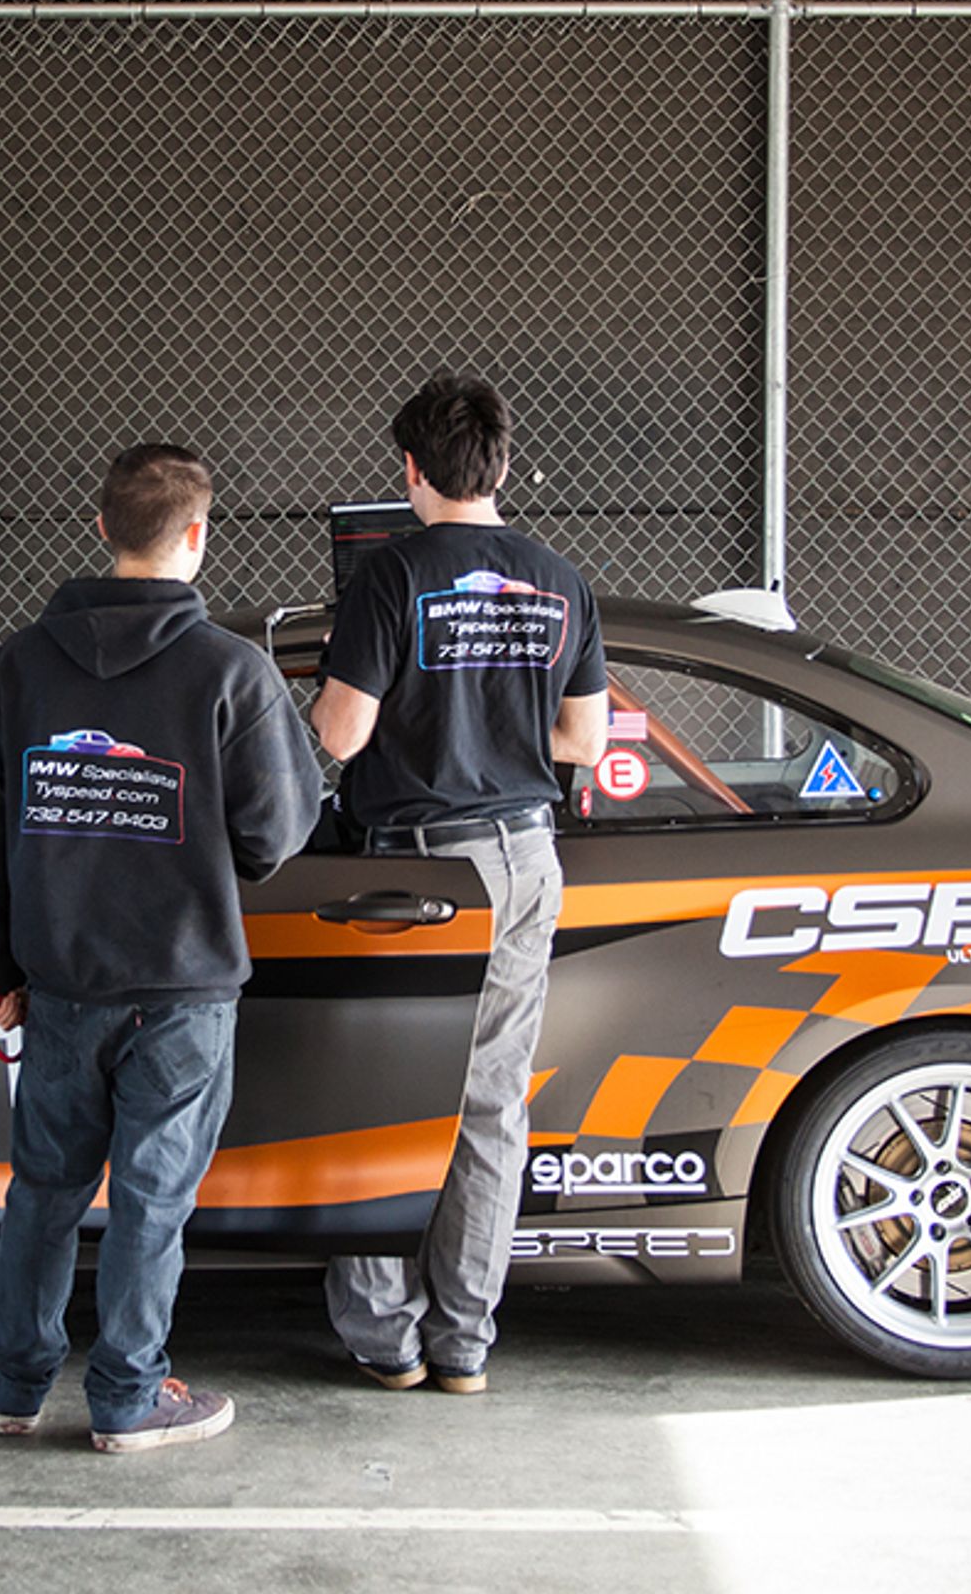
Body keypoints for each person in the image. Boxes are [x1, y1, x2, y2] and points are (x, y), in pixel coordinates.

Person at [0, 443, 321, 1453]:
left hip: (59, 982)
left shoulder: (23, 664)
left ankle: (15, 1388)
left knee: (42, 1191)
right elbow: (275, 838)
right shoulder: (231, 670)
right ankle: (127, 1399)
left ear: (100, 526)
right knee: (152, 1195)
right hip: (183, 987)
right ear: (199, 537)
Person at [315, 373, 608, 1394]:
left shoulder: (390, 579)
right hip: (527, 857)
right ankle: (464, 1347)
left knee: (382, 1096)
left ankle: (384, 1341)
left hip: (418, 872)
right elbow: (582, 738)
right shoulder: (561, 578)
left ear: (408, 470)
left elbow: (341, 734)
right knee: (490, 1105)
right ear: (504, 465)